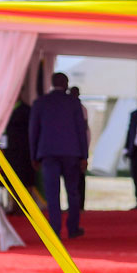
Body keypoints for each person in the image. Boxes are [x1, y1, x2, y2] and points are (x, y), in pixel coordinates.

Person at [29, 72, 88, 238]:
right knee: (73, 192)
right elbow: (81, 131)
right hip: (71, 154)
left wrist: (34, 155)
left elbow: (33, 131)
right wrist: (84, 155)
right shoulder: (74, 102)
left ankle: (54, 230)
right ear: (66, 83)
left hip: (48, 153)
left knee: (52, 193)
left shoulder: (40, 102)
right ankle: (73, 228)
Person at [69, 86, 90, 211]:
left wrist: (84, 154)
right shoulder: (65, 109)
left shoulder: (82, 109)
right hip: (69, 150)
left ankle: (80, 205)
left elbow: (84, 130)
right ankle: (73, 205)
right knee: (70, 179)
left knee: (80, 177)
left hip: (79, 149)